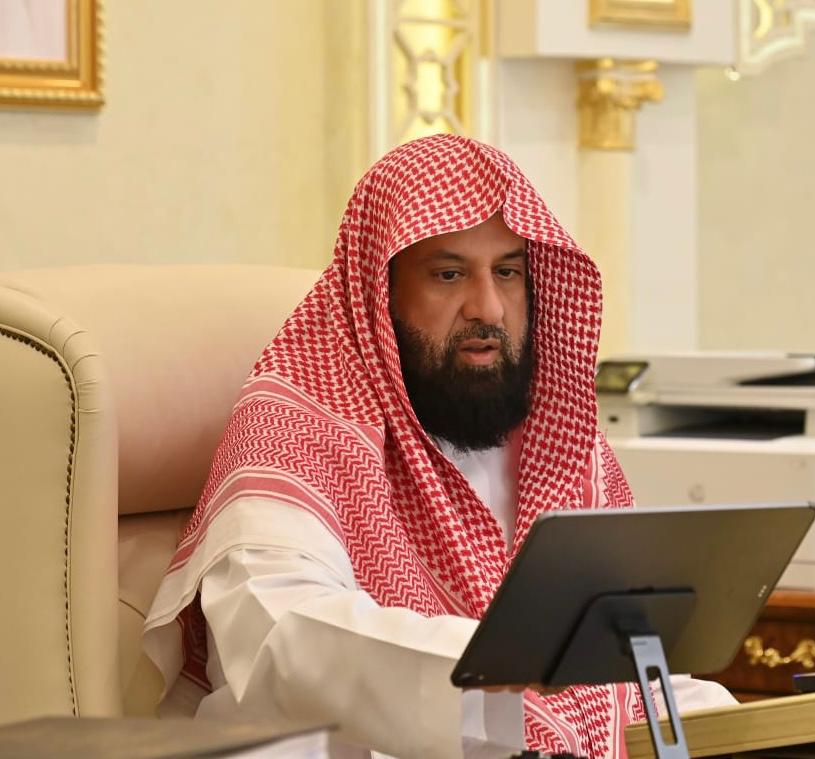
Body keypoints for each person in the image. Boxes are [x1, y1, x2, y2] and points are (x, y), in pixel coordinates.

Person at [143, 134, 733, 758]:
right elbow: (280, 634)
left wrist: (742, 727)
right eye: (449, 275)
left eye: (507, 272)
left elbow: (613, 676)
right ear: (380, 293)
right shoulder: (295, 428)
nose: (489, 308)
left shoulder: (556, 438)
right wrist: (498, 660)